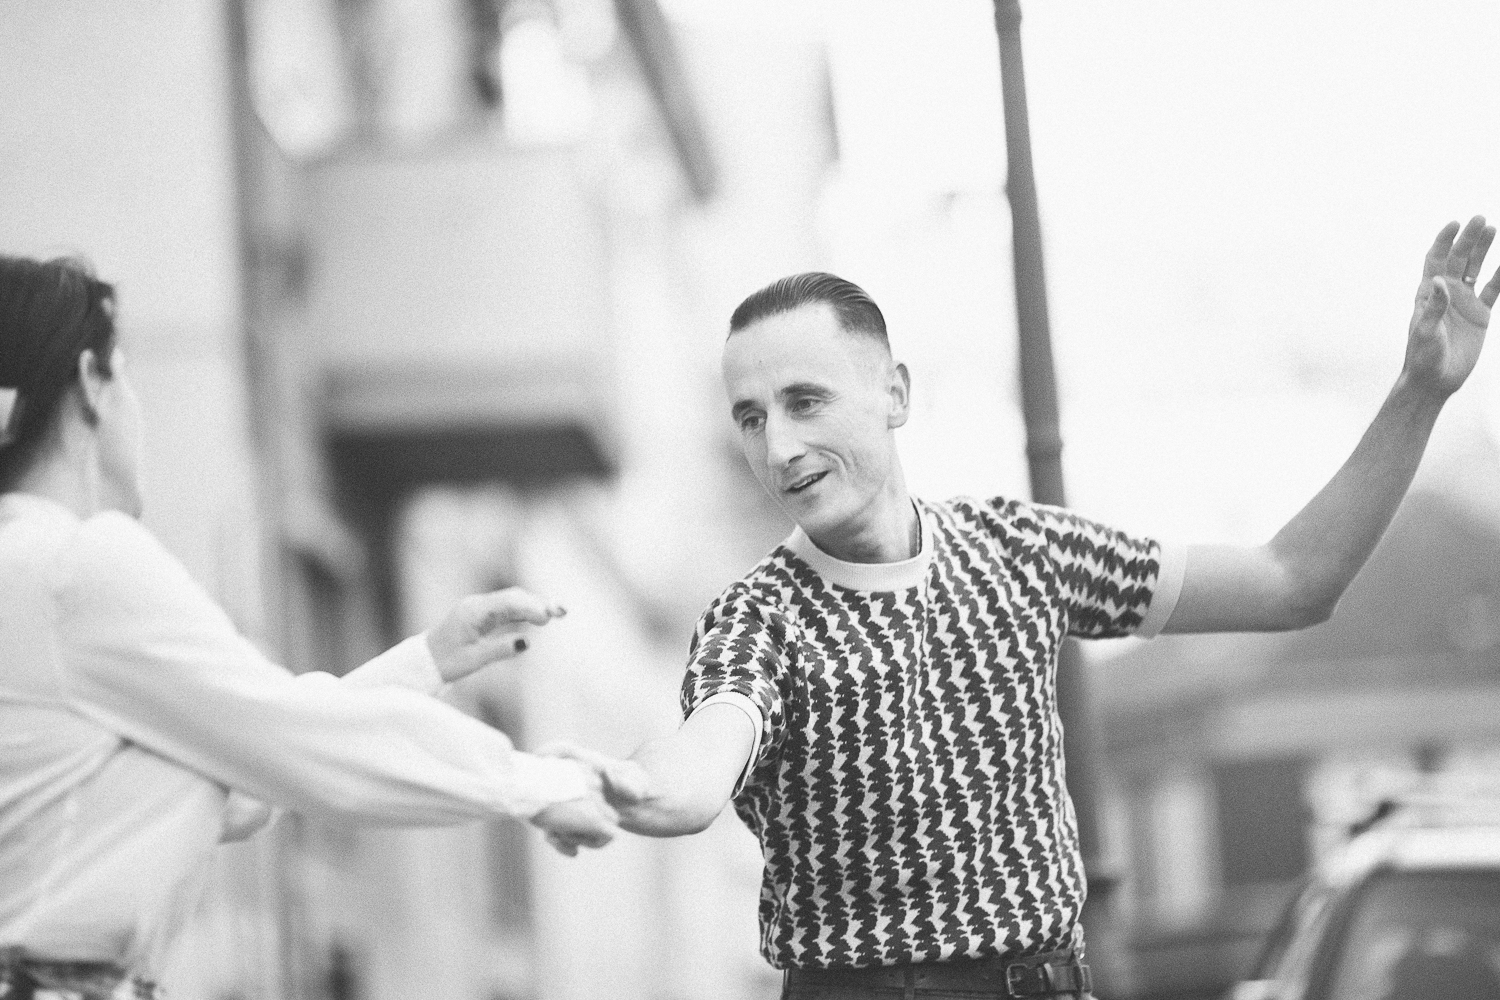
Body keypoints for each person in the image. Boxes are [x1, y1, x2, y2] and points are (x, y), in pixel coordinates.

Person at [547, 217, 1500, 999]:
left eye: (804, 401)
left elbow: (1293, 581)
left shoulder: (1019, 549)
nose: (779, 447)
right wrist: (624, 786)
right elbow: (696, 764)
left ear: (895, 394)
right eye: (750, 418)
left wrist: (1419, 391)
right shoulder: (760, 620)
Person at [0, 255, 628, 1000]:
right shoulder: (76, 564)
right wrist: (538, 783)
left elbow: (247, 767)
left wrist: (426, 662)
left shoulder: (29, 569)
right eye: (125, 374)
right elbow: (289, 746)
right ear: (91, 386)